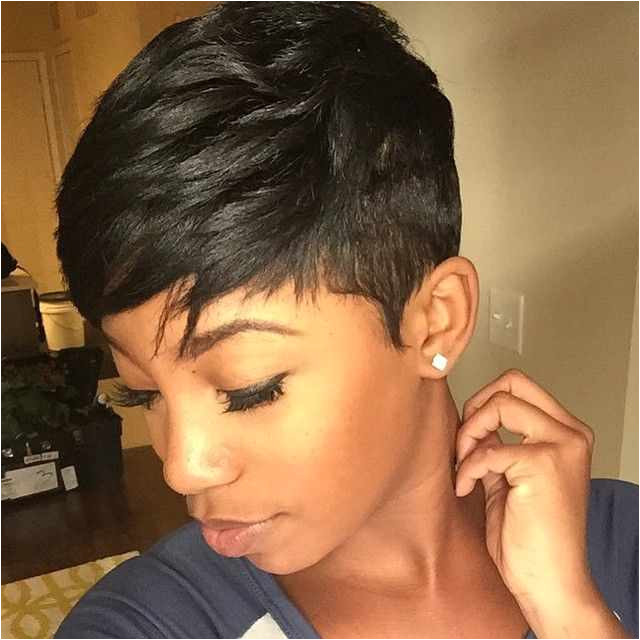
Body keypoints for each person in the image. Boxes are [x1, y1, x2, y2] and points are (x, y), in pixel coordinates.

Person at [54, 2, 637, 638]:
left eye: (251, 389)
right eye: (143, 392)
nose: (182, 467)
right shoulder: (144, 623)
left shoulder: (625, 546)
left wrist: (573, 614)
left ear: (435, 321)